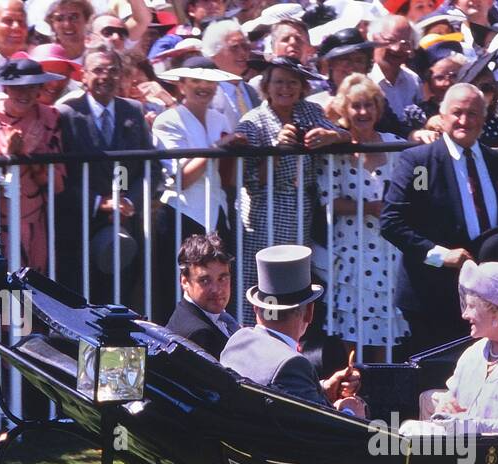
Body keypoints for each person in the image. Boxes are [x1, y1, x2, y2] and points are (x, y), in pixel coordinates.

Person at [380, 82, 498, 354]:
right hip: (432, 294)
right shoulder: (420, 163)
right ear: (442, 116)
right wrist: (440, 256)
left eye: (473, 113)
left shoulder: (496, 163)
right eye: (457, 113)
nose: (464, 120)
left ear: (485, 117)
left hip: (486, 297)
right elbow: (392, 222)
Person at [229, 56, 347, 298]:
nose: (286, 88)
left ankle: (292, 332)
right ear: (266, 87)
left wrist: (329, 136)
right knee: (259, 280)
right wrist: (276, 151)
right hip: (264, 212)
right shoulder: (252, 121)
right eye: (279, 82)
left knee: (293, 281)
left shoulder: (309, 110)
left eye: (293, 82)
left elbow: (345, 135)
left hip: (301, 209)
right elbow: (245, 179)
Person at [403, 260, 498, 435]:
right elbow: (454, 400)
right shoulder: (473, 353)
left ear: (497, 310)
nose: (465, 315)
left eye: (472, 306)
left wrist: (472, 427)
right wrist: (447, 402)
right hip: (465, 453)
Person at [56, 47, 155, 306]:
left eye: (113, 70)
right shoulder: (67, 114)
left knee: (123, 304)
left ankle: (120, 350)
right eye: (98, 70)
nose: (106, 76)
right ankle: (81, 349)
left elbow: (151, 168)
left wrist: (130, 202)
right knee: (82, 304)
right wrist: (97, 202)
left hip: (126, 229)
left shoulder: (133, 110)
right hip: (80, 229)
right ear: (83, 76)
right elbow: (60, 175)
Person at [319, 73, 408, 358]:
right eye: (356, 106)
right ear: (344, 109)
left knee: (385, 322)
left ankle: (384, 386)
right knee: (352, 320)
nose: (363, 112)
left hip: (389, 250)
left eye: (369, 105)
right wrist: (369, 208)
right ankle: (354, 386)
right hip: (352, 250)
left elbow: (419, 183)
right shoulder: (336, 152)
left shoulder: (395, 144)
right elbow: (328, 202)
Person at [220, 244, 366, 416]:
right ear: (309, 313)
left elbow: (278, 391)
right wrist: (350, 412)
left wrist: (322, 388)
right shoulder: (292, 364)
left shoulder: (236, 340)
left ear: (256, 308)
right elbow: (320, 433)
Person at [151, 54, 234, 323]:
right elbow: (182, 178)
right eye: (197, 80)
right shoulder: (168, 120)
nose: (204, 86)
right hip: (180, 215)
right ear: (182, 84)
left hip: (215, 216)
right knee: (175, 293)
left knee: (216, 292)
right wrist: (217, 148)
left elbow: (226, 174)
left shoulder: (219, 119)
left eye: (210, 81)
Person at [0, 56, 66, 272]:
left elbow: (57, 185)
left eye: (31, 87)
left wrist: (30, 158)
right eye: (17, 87)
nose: (24, 93)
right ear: (5, 88)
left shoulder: (50, 118)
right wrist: (6, 157)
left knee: (34, 294)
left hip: (35, 226)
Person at [165, 232, 240, 357]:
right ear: (184, 281)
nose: (216, 289)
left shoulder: (217, 318)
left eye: (222, 279)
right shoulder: (197, 335)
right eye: (205, 281)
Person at [369, 13, 422, 119]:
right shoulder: (365, 80)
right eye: (391, 40)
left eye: (405, 43)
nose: (396, 48)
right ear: (375, 39)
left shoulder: (413, 81)